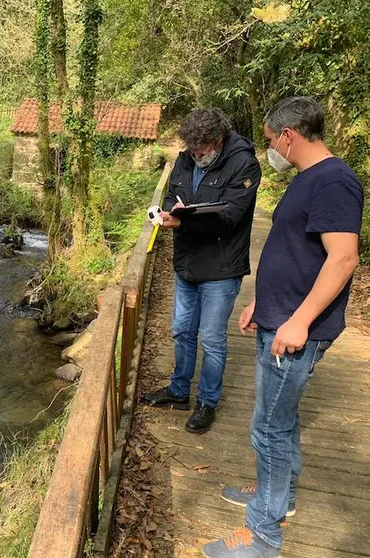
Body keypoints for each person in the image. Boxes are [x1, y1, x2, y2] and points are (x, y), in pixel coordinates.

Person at [202, 97, 363, 557]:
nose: (271, 149)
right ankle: (278, 498)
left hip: (296, 330)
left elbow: (343, 258)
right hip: (279, 316)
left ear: (289, 136)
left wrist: (298, 321)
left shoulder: (334, 181)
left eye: (272, 141)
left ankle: (263, 535)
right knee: (281, 420)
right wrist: (262, 302)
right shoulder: (309, 178)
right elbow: (296, 251)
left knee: (268, 427)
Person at [142, 108, 261, 434]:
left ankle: (207, 401)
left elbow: (229, 217)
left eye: (201, 150)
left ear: (218, 140)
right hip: (187, 262)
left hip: (221, 268)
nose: (196, 156)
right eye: (192, 151)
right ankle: (179, 391)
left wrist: (183, 220)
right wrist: (167, 213)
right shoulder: (184, 159)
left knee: (211, 338)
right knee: (181, 330)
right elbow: (171, 194)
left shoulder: (243, 163)